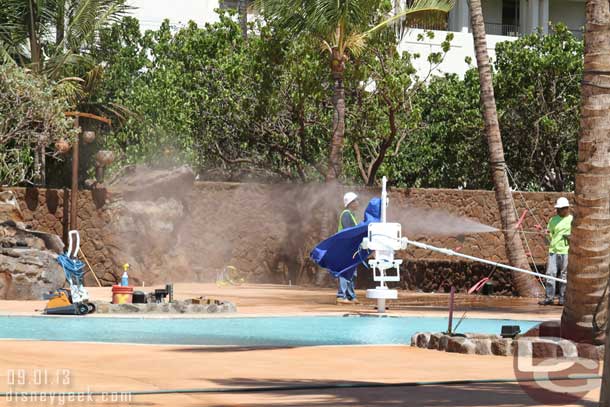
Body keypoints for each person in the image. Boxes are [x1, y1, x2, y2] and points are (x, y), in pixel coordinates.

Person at [539, 197, 573, 306]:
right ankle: (549, 298)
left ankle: (563, 298)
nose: (558, 211)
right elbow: (548, 240)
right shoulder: (553, 220)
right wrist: (543, 235)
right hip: (553, 251)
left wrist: (569, 237)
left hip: (566, 251)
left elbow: (577, 238)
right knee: (550, 274)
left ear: (567, 208)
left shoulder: (572, 220)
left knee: (564, 275)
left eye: (560, 208)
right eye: (557, 209)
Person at [336, 192, 360, 305]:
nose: (358, 203)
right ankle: (341, 296)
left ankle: (351, 296)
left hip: (351, 249)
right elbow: (348, 232)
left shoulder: (351, 215)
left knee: (352, 272)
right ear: (350, 203)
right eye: (355, 201)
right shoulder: (346, 214)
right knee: (346, 271)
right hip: (345, 248)